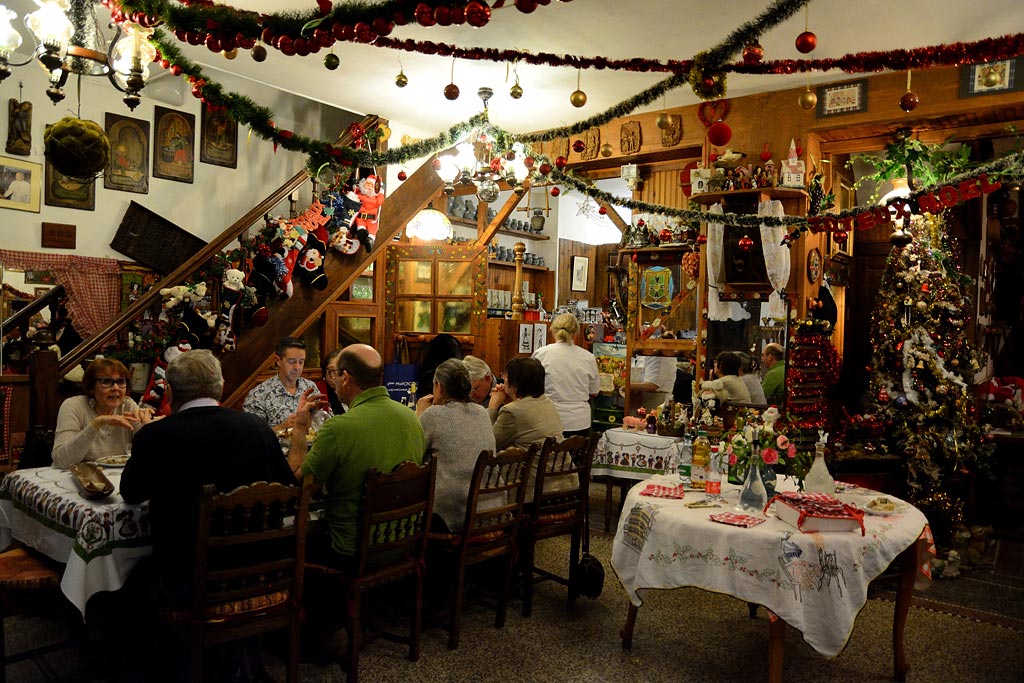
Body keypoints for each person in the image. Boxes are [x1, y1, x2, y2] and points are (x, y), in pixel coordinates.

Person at [120, 349, 294, 602]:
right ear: (220, 387)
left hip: (186, 578)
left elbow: (131, 492)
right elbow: (287, 490)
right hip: (261, 569)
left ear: (169, 391)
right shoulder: (258, 428)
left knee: (124, 582)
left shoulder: (156, 435)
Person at [287, 343, 425, 564]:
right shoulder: (412, 418)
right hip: (406, 538)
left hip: (353, 549)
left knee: (291, 536)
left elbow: (299, 486)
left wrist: (301, 427)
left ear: (346, 378)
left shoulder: (339, 428)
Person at [416, 358, 496, 532]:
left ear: (440, 387)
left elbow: (413, 455)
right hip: (490, 507)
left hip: (452, 516)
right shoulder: (481, 412)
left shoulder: (434, 415)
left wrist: (419, 414)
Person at [52, 358, 155, 468]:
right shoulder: (74, 406)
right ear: (91, 387)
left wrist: (148, 428)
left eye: (120, 382)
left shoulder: (128, 406)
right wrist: (96, 424)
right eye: (106, 382)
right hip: (74, 477)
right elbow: (62, 461)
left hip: (114, 478)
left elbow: (148, 456)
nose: (115, 388)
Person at [488, 357, 565, 501]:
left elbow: (488, 443)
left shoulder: (512, 411)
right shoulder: (547, 402)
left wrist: (493, 406)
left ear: (514, 387)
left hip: (533, 492)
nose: (502, 382)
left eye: (505, 379)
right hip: (563, 484)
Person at [243, 336, 329, 438]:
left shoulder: (310, 387)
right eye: (292, 362)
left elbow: (321, 424)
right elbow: (251, 436)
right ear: (278, 360)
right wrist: (282, 427)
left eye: (301, 362)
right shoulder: (258, 395)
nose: (297, 367)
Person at [532, 313, 600, 438]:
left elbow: (532, 388)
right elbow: (594, 392)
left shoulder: (541, 354)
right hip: (579, 421)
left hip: (549, 418)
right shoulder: (588, 357)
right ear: (575, 333)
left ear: (552, 330)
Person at [322, 347, 347, 415]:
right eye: (331, 371)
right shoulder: (318, 391)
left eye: (339, 371)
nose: (334, 377)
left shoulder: (355, 390)